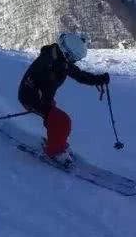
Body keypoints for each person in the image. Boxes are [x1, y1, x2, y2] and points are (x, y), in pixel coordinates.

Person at [17, 31, 109, 167]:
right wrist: (45, 109)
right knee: (63, 121)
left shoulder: (58, 57)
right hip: (30, 97)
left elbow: (78, 74)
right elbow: (46, 87)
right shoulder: (51, 64)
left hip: (38, 95)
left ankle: (55, 141)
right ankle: (54, 151)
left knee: (55, 118)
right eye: (74, 58)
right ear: (68, 53)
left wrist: (98, 80)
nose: (74, 61)